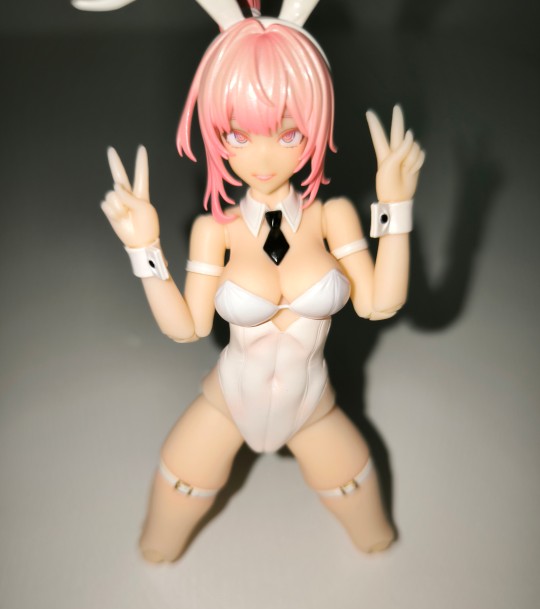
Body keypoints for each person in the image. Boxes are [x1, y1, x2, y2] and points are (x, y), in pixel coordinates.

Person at [100, 0, 425, 562]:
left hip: (311, 404)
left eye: (289, 134)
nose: (264, 157)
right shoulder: (215, 230)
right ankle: (158, 544)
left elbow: (380, 303)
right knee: (168, 517)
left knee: (367, 519)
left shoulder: (332, 217)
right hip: (227, 402)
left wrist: (396, 209)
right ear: (215, 132)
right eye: (238, 135)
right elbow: (186, 327)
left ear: (315, 126)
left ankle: (374, 536)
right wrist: (143, 249)